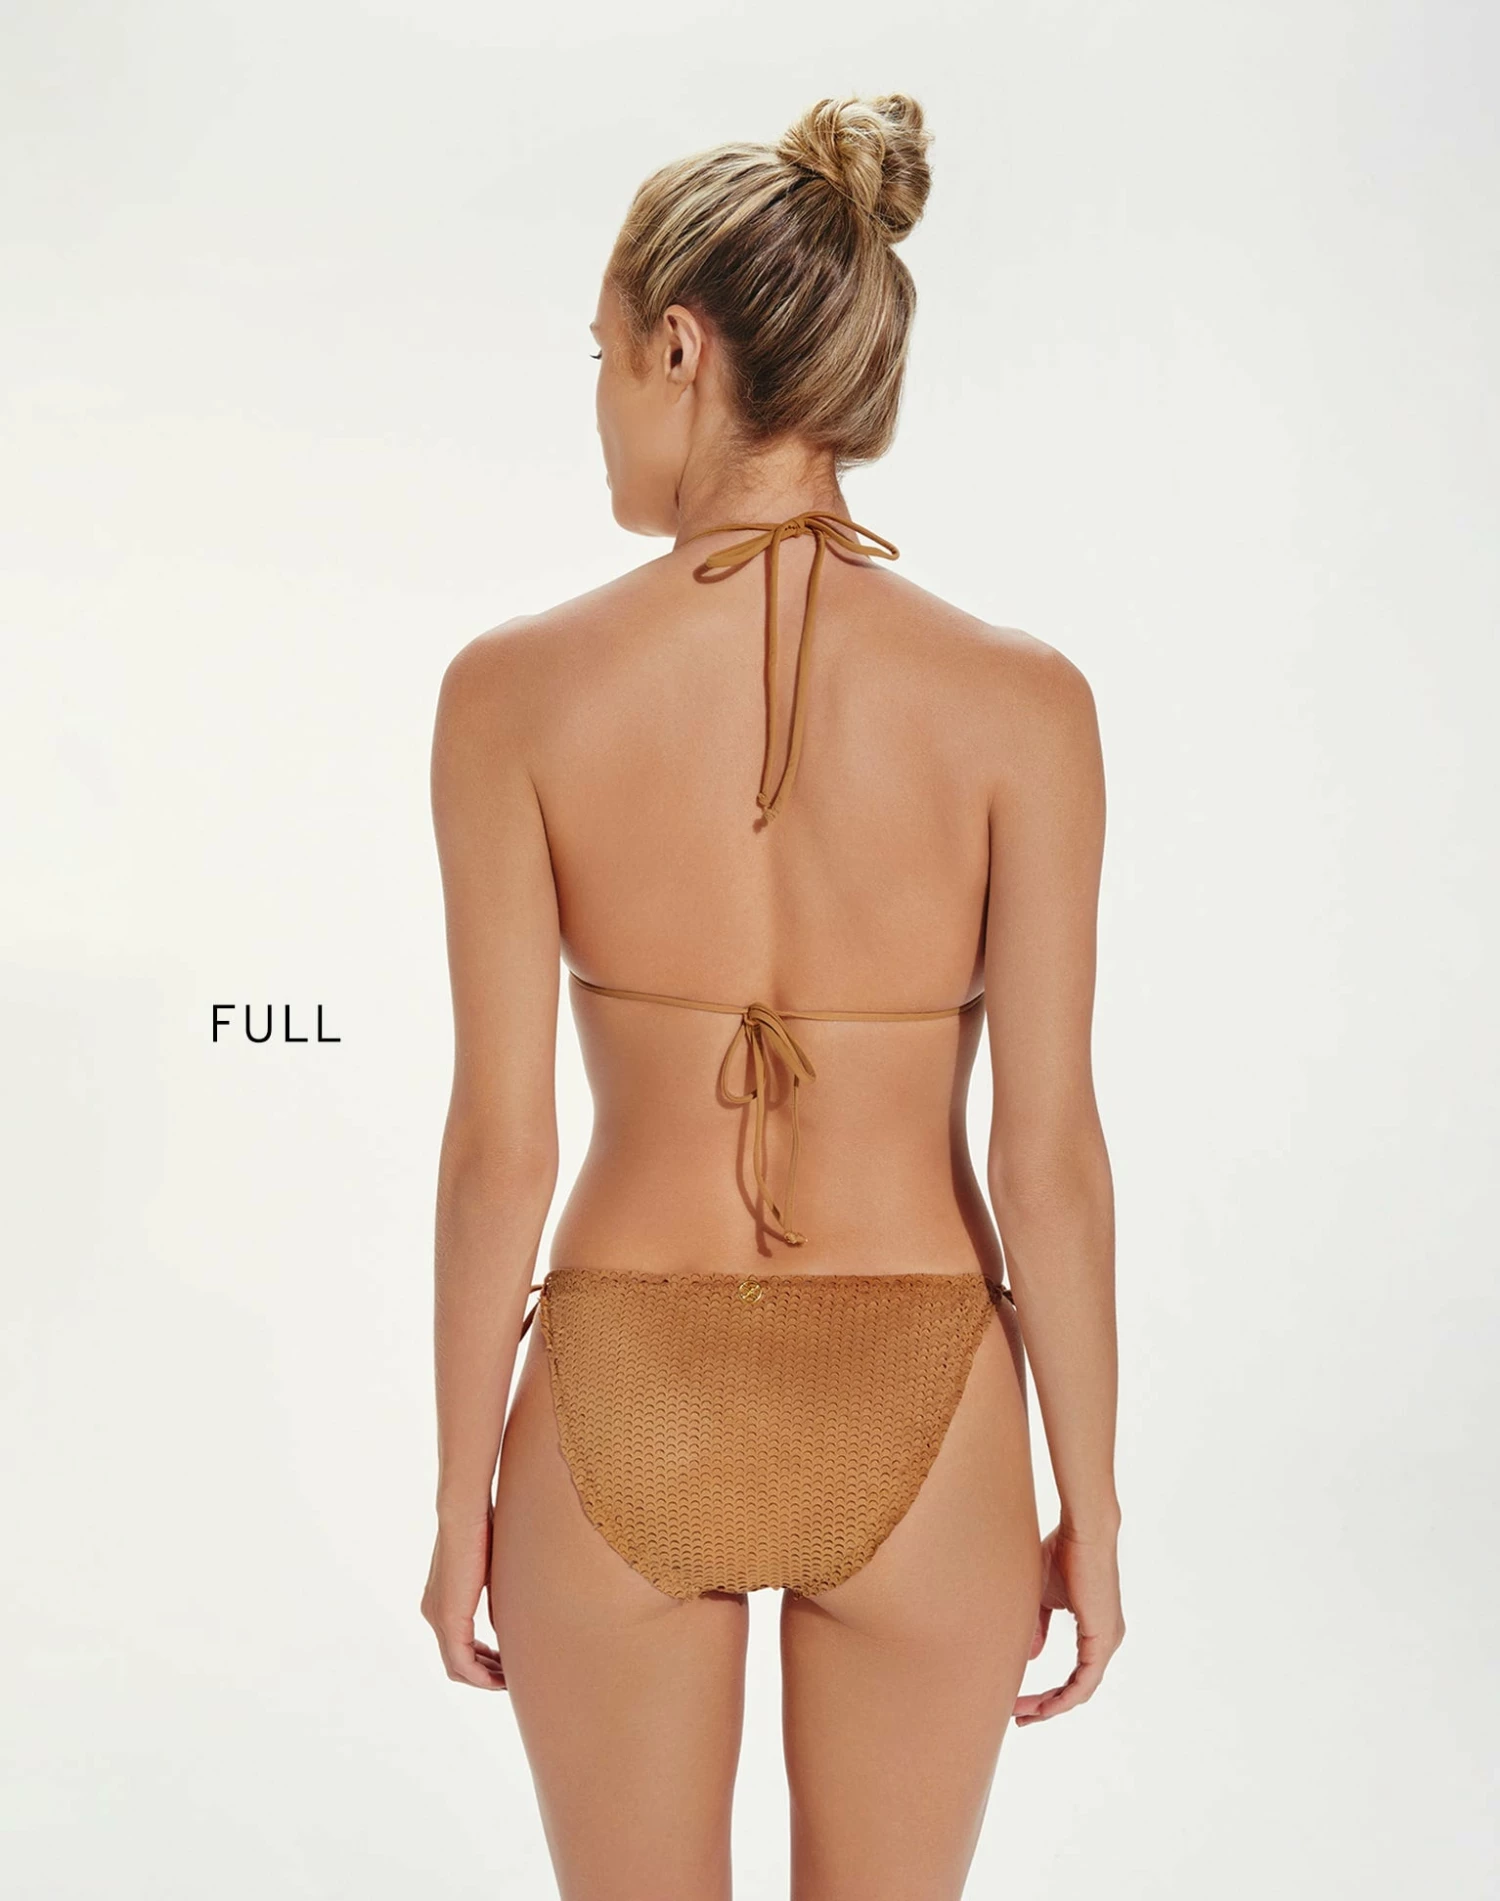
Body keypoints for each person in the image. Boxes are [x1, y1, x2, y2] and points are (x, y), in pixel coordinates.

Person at [421, 91, 1123, 1901]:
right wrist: (1093, 1509)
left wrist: (456, 1500)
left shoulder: (513, 695)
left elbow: (502, 1151)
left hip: (618, 1386)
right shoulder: (1024, 707)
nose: (598, 397)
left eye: (601, 354)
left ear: (680, 347)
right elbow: (1048, 1158)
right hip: (929, 1397)